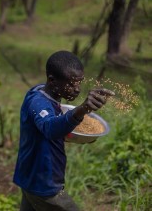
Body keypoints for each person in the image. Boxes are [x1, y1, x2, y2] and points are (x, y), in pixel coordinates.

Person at [13, 51, 115, 211]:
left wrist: (78, 135)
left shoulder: (46, 92)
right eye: (71, 84)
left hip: (31, 176)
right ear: (52, 80)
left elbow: (49, 130)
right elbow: (49, 128)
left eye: (79, 83)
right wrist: (82, 109)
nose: (77, 89)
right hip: (42, 180)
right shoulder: (38, 103)